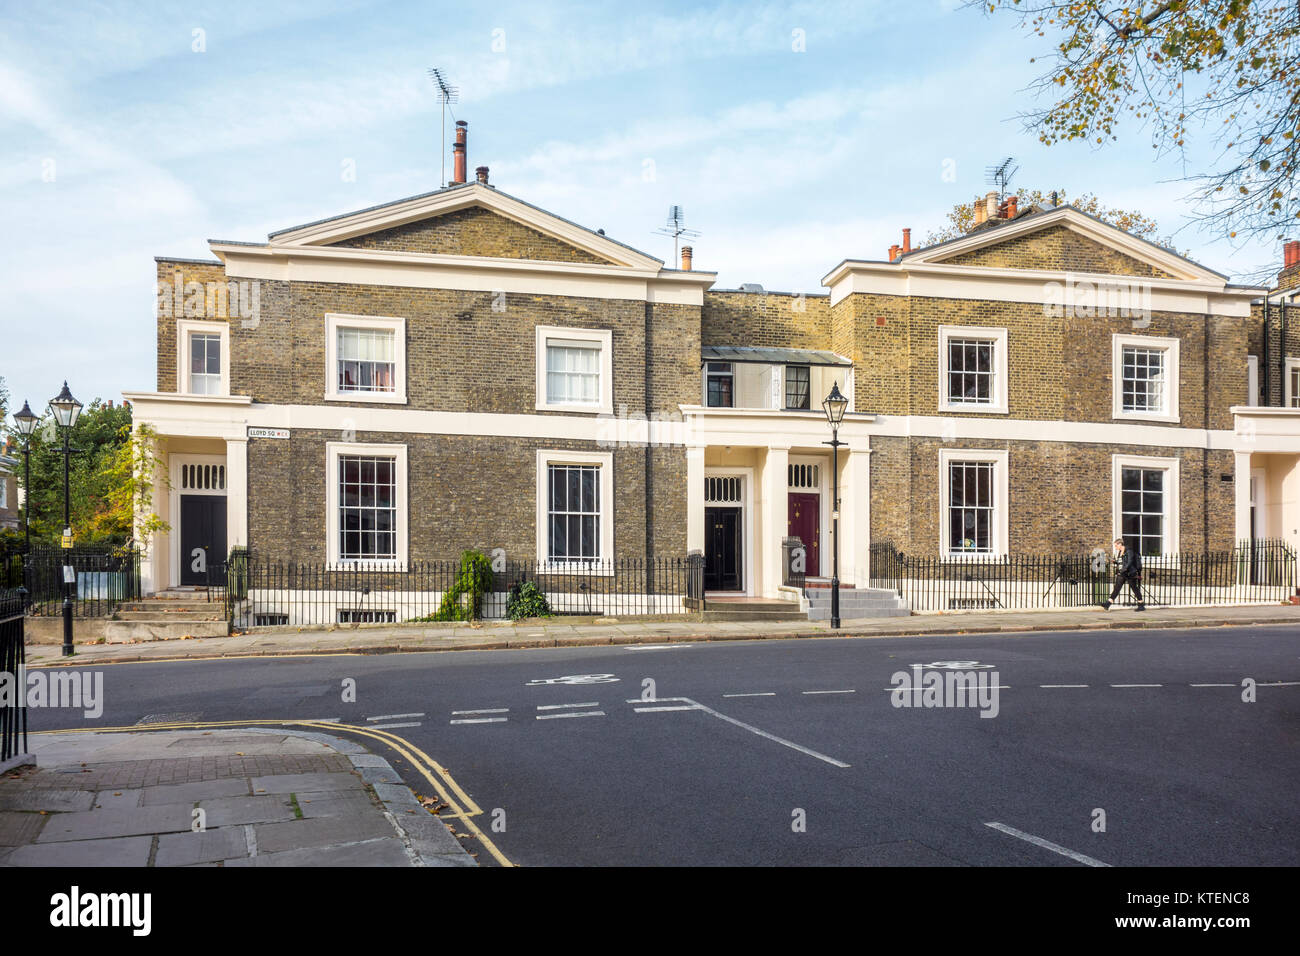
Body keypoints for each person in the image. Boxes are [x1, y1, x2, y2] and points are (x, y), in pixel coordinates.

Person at [1101, 537, 1145, 611]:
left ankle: (1141, 605)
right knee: (1117, 588)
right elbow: (1122, 562)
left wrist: (1124, 569)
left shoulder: (1129, 550)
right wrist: (1115, 561)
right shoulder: (1120, 552)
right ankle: (1108, 603)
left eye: (1116, 545)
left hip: (1130, 573)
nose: (1115, 547)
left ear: (1120, 544)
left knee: (1134, 588)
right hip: (1122, 573)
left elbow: (1129, 562)